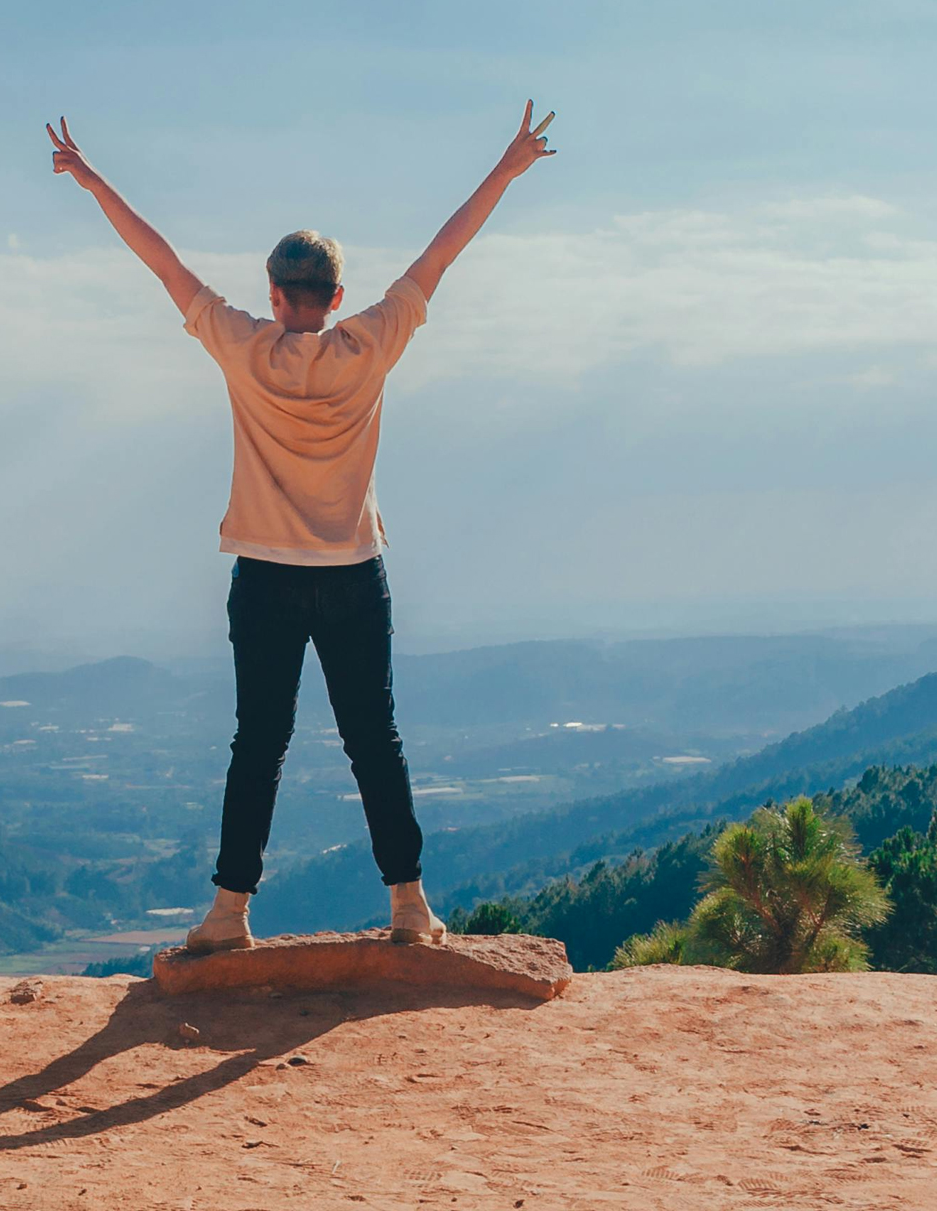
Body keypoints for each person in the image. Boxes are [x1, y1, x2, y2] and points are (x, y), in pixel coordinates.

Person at [46, 102, 557, 954]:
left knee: (259, 743)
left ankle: (229, 913)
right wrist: (507, 168)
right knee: (374, 741)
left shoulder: (243, 347)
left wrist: (93, 181)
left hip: (266, 575)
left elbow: (163, 263)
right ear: (338, 297)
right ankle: (409, 906)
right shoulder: (371, 343)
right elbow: (441, 254)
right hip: (354, 571)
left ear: (275, 296)